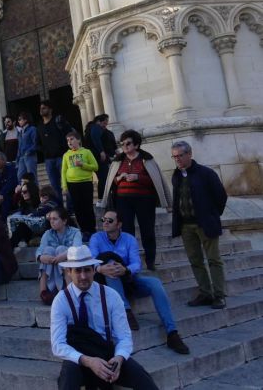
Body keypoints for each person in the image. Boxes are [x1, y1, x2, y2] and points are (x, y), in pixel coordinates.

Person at [50, 245, 158, 390]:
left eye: (87, 270)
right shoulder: (61, 300)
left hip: (107, 355)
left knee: (143, 378)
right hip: (79, 358)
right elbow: (58, 345)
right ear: (68, 272)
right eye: (78, 270)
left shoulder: (111, 296)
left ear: (94, 270)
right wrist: (88, 361)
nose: (83, 276)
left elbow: (124, 337)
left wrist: (119, 359)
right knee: (68, 377)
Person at [88, 211, 190, 354]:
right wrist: (100, 268)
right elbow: (91, 259)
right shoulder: (96, 238)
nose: (105, 222)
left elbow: (136, 263)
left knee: (155, 283)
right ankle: (126, 310)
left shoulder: (129, 239)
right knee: (111, 267)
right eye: (103, 219)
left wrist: (126, 270)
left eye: (110, 220)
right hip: (105, 282)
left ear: (119, 224)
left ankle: (172, 333)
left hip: (128, 279)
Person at [99, 129, 172, 270]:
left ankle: (150, 262)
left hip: (144, 200)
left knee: (147, 231)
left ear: (136, 145)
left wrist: (137, 177)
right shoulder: (118, 160)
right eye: (122, 144)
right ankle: (128, 261)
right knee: (126, 233)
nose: (125, 146)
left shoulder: (147, 159)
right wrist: (118, 178)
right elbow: (111, 181)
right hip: (123, 200)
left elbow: (155, 180)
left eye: (128, 143)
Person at [171, 140, 228, 309]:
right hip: (186, 226)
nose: (178, 159)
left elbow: (221, 197)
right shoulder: (176, 175)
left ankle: (219, 295)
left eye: (181, 155)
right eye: (174, 157)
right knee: (195, 261)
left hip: (205, 224)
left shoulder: (206, 173)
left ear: (189, 154)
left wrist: (211, 215)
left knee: (214, 260)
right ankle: (205, 293)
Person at [36, 207, 82, 305]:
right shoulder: (47, 233)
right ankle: (43, 291)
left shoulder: (75, 232)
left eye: (55, 219)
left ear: (64, 221)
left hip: (69, 269)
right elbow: (40, 250)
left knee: (61, 249)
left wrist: (63, 255)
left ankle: (69, 288)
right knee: (47, 250)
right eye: (50, 219)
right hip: (51, 268)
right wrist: (41, 257)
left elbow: (77, 248)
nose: (51, 222)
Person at [61, 130, 99, 239]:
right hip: (72, 184)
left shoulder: (86, 152)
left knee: (87, 207)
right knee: (78, 208)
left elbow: (95, 167)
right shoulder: (66, 155)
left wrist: (83, 165)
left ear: (78, 140)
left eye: (72, 139)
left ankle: (92, 229)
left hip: (86, 182)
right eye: (68, 140)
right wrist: (64, 186)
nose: (69, 142)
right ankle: (84, 230)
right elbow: (63, 171)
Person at [37, 100, 73, 207]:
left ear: (50, 109)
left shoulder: (58, 121)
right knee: (55, 185)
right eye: (40, 108)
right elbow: (38, 142)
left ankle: (71, 208)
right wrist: (44, 151)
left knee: (66, 183)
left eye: (44, 108)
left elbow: (69, 134)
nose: (41, 110)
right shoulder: (39, 126)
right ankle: (60, 208)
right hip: (48, 160)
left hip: (61, 157)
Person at [8, 184, 58, 249]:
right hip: (33, 231)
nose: (23, 194)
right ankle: (9, 247)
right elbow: (13, 205)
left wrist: (30, 215)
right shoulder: (25, 206)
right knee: (19, 224)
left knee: (20, 223)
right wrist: (17, 193)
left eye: (25, 192)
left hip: (46, 231)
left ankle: (9, 247)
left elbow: (41, 212)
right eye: (22, 192)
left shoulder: (50, 204)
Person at [88, 114, 118, 199]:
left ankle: (111, 198)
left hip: (108, 158)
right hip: (100, 158)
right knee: (103, 178)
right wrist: (101, 151)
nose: (106, 124)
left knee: (110, 178)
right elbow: (96, 140)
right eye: (104, 122)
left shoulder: (107, 132)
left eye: (107, 122)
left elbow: (113, 145)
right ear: (98, 121)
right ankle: (102, 199)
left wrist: (117, 153)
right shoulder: (95, 128)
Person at [16, 111, 38, 183]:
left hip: (30, 156)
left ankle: (35, 193)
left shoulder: (32, 129)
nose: (18, 121)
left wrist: (28, 151)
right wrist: (17, 159)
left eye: (20, 119)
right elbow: (19, 146)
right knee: (20, 176)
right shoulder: (20, 132)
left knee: (32, 177)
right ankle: (25, 192)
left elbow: (36, 143)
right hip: (22, 157)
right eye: (18, 119)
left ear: (26, 120)